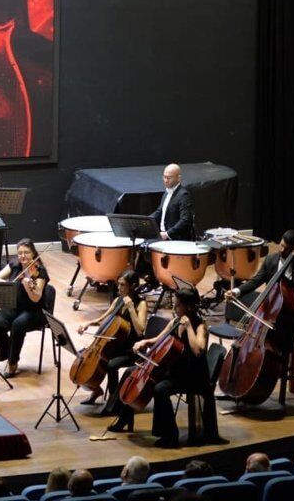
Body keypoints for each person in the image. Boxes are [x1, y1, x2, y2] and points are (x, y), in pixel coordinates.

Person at [111, 287, 220, 446]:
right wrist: (144, 342)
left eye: (178, 305)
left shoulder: (200, 327)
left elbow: (198, 351)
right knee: (130, 372)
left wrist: (189, 327)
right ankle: (124, 418)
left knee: (160, 389)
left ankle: (170, 435)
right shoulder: (175, 322)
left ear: (189, 307)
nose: (174, 307)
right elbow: (158, 339)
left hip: (193, 376)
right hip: (176, 371)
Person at [225, 228, 294, 329]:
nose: (282, 250)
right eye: (281, 245)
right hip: (272, 312)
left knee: (282, 333)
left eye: (287, 248)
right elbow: (255, 282)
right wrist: (235, 291)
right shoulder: (270, 260)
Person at [76, 270, 150, 412]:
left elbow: (140, 330)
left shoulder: (141, 304)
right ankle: (96, 390)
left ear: (133, 286)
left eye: (122, 285)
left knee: (111, 364)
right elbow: (103, 319)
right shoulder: (118, 300)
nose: (119, 288)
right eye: (118, 284)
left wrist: (131, 308)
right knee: (82, 356)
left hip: (132, 349)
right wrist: (88, 323)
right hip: (116, 345)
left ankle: (113, 400)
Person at [0, 239, 53, 378]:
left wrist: (28, 286)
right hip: (14, 306)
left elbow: (36, 298)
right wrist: (8, 284)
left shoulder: (40, 272)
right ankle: (9, 355)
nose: (23, 256)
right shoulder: (15, 265)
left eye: (26, 252)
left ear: (33, 253)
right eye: (20, 253)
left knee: (18, 325)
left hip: (34, 310)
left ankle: (12, 362)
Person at [147, 164, 193, 241]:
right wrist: (146, 221)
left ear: (178, 178)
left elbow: (185, 220)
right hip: (163, 236)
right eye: (164, 177)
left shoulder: (183, 195)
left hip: (175, 239)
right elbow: (159, 212)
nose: (166, 180)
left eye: (169, 178)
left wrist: (168, 234)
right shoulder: (166, 193)